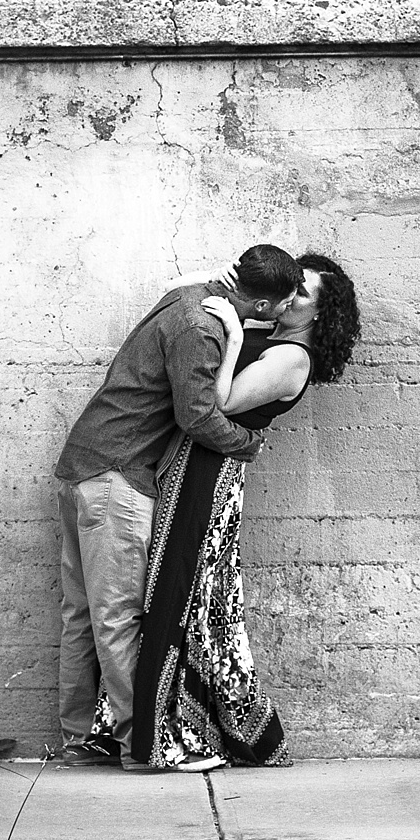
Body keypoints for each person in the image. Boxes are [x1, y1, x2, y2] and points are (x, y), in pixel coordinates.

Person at [52, 243, 305, 767]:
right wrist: (249, 444)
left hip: (85, 466)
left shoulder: (186, 299)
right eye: (283, 305)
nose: (285, 314)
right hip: (116, 477)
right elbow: (199, 418)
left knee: (83, 614)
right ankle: (142, 747)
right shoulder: (202, 328)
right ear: (260, 307)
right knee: (118, 616)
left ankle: (81, 742)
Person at [125, 253, 361, 774]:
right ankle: (145, 727)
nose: (291, 297)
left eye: (303, 295)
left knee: (187, 598)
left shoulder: (292, 359)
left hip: (212, 477)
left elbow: (223, 400)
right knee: (173, 595)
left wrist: (232, 330)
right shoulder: (271, 332)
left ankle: (186, 732)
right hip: (193, 466)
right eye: (290, 287)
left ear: (318, 314)